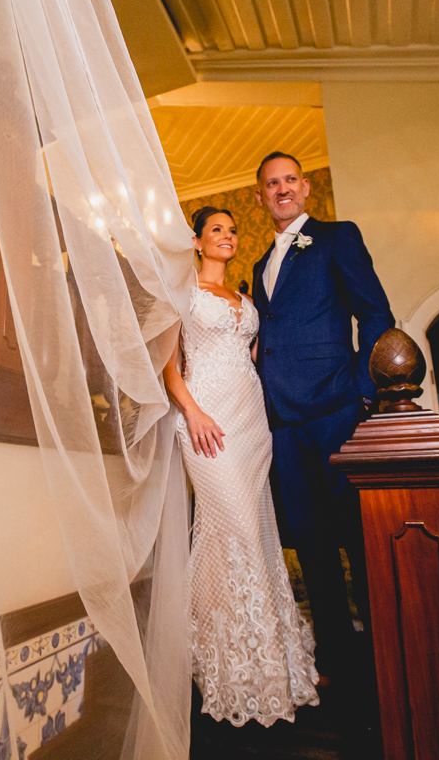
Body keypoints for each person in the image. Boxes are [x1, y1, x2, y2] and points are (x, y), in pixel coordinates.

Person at [163, 205, 320, 728]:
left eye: (232, 230)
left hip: (252, 424)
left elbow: (254, 359)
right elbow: (168, 365)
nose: (227, 237)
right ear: (196, 241)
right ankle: (219, 660)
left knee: (256, 532)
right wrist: (192, 411)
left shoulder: (247, 300)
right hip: (207, 420)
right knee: (233, 529)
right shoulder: (182, 294)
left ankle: (266, 664)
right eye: (217, 230)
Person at [250, 151, 395, 706]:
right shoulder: (260, 264)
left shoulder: (337, 237)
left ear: (305, 187)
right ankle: (337, 660)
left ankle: (387, 656)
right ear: (260, 196)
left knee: (358, 537)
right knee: (311, 546)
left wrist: (362, 389)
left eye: (290, 179)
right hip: (281, 423)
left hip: (336, 408)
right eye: (272, 183)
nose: (282, 189)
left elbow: (375, 313)